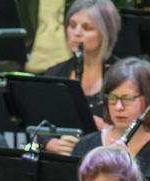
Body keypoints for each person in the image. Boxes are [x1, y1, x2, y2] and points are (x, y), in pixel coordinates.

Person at [70, 57, 150, 178]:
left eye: (128, 99)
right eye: (112, 98)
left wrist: (126, 167)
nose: (118, 107)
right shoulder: (85, 145)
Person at [40, 0, 120, 155]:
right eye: (72, 25)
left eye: (87, 28)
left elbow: (136, 129)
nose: (76, 33)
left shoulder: (121, 75)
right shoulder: (54, 73)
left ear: (106, 32)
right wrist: (51, 144)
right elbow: (38, 122)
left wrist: (106, 130)